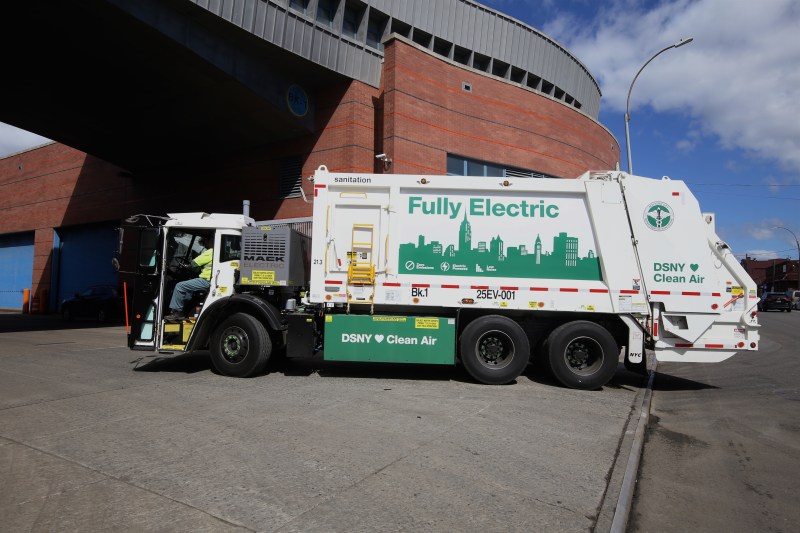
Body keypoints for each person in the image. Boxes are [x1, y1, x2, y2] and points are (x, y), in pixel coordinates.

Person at [165, 239, 213, 321]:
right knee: (188, 289)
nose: (204, 246)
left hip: (206, 280)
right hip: (209, 280)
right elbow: (198, 268)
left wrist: (188, 266)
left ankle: (178, 312)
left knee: (180, 286)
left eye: (204, 243)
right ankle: (185, 310)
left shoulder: (211, 251)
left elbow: (195, 263)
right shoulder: (217, 253)